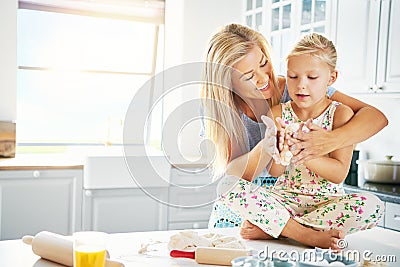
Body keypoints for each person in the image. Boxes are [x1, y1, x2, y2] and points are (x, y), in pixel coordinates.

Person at [200, 24, 387, 250]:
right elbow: (239, 176)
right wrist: (269, 148)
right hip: (265, 200)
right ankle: (301, 233)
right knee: (228, 192)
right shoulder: (227, 108)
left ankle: (281, 230)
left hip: (314, 204)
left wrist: (329, 141)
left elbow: (376, 117)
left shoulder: (302, 89)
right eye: (249, 76)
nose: (263, 78)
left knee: (372, 206)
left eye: (263, 63)